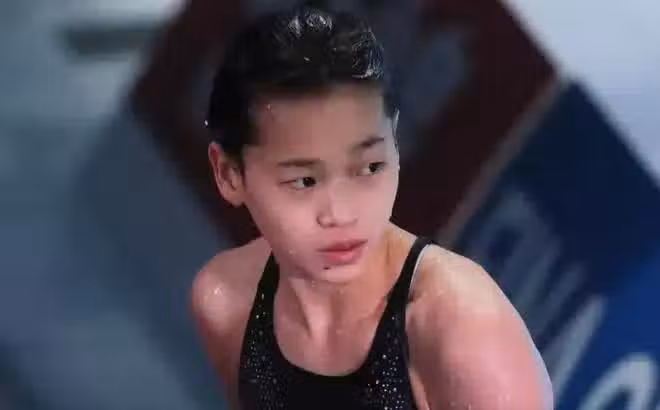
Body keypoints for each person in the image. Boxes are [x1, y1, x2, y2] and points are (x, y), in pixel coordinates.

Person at [191, 5, 553, 409]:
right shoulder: (227, 302)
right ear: (229, 175)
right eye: (305, 182)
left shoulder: (460, 330)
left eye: (369, 167)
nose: (343, 214)